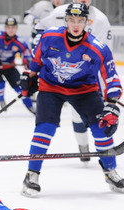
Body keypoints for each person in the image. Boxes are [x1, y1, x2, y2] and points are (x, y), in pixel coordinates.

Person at [19, 3, 124, 197]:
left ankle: (110, 172)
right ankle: (32, 174)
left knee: (101, 129)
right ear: (66, 20)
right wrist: (29, 76)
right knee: (45, 128)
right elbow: (35, 62)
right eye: (72, 20)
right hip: (51, 87)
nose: (76, 24)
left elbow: (111, 77)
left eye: (80, 21)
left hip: (84, 90)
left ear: (86, 22)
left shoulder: (97, 47)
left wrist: (112, 103)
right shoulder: (50, 36)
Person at [34, 0, 112, 163]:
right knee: (51, 122)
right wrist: (39, 63)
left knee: (81, 115)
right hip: (56, 80)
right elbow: (40, 31)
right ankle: (83, 147)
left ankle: (86, 149)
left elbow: (105, 55)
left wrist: (106, 91)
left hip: (84, 80)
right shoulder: (59, 12)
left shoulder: (100, 20)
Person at [0, 17, 36, 114]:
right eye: (9, 27)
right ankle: (1, 100)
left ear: (16, 28)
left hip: (9, 68)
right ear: (5, 28)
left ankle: (31, 107)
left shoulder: (20, 42)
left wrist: (28, 63)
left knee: (22, 88)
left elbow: (26, 55)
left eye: (13, 27)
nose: (11, 29)